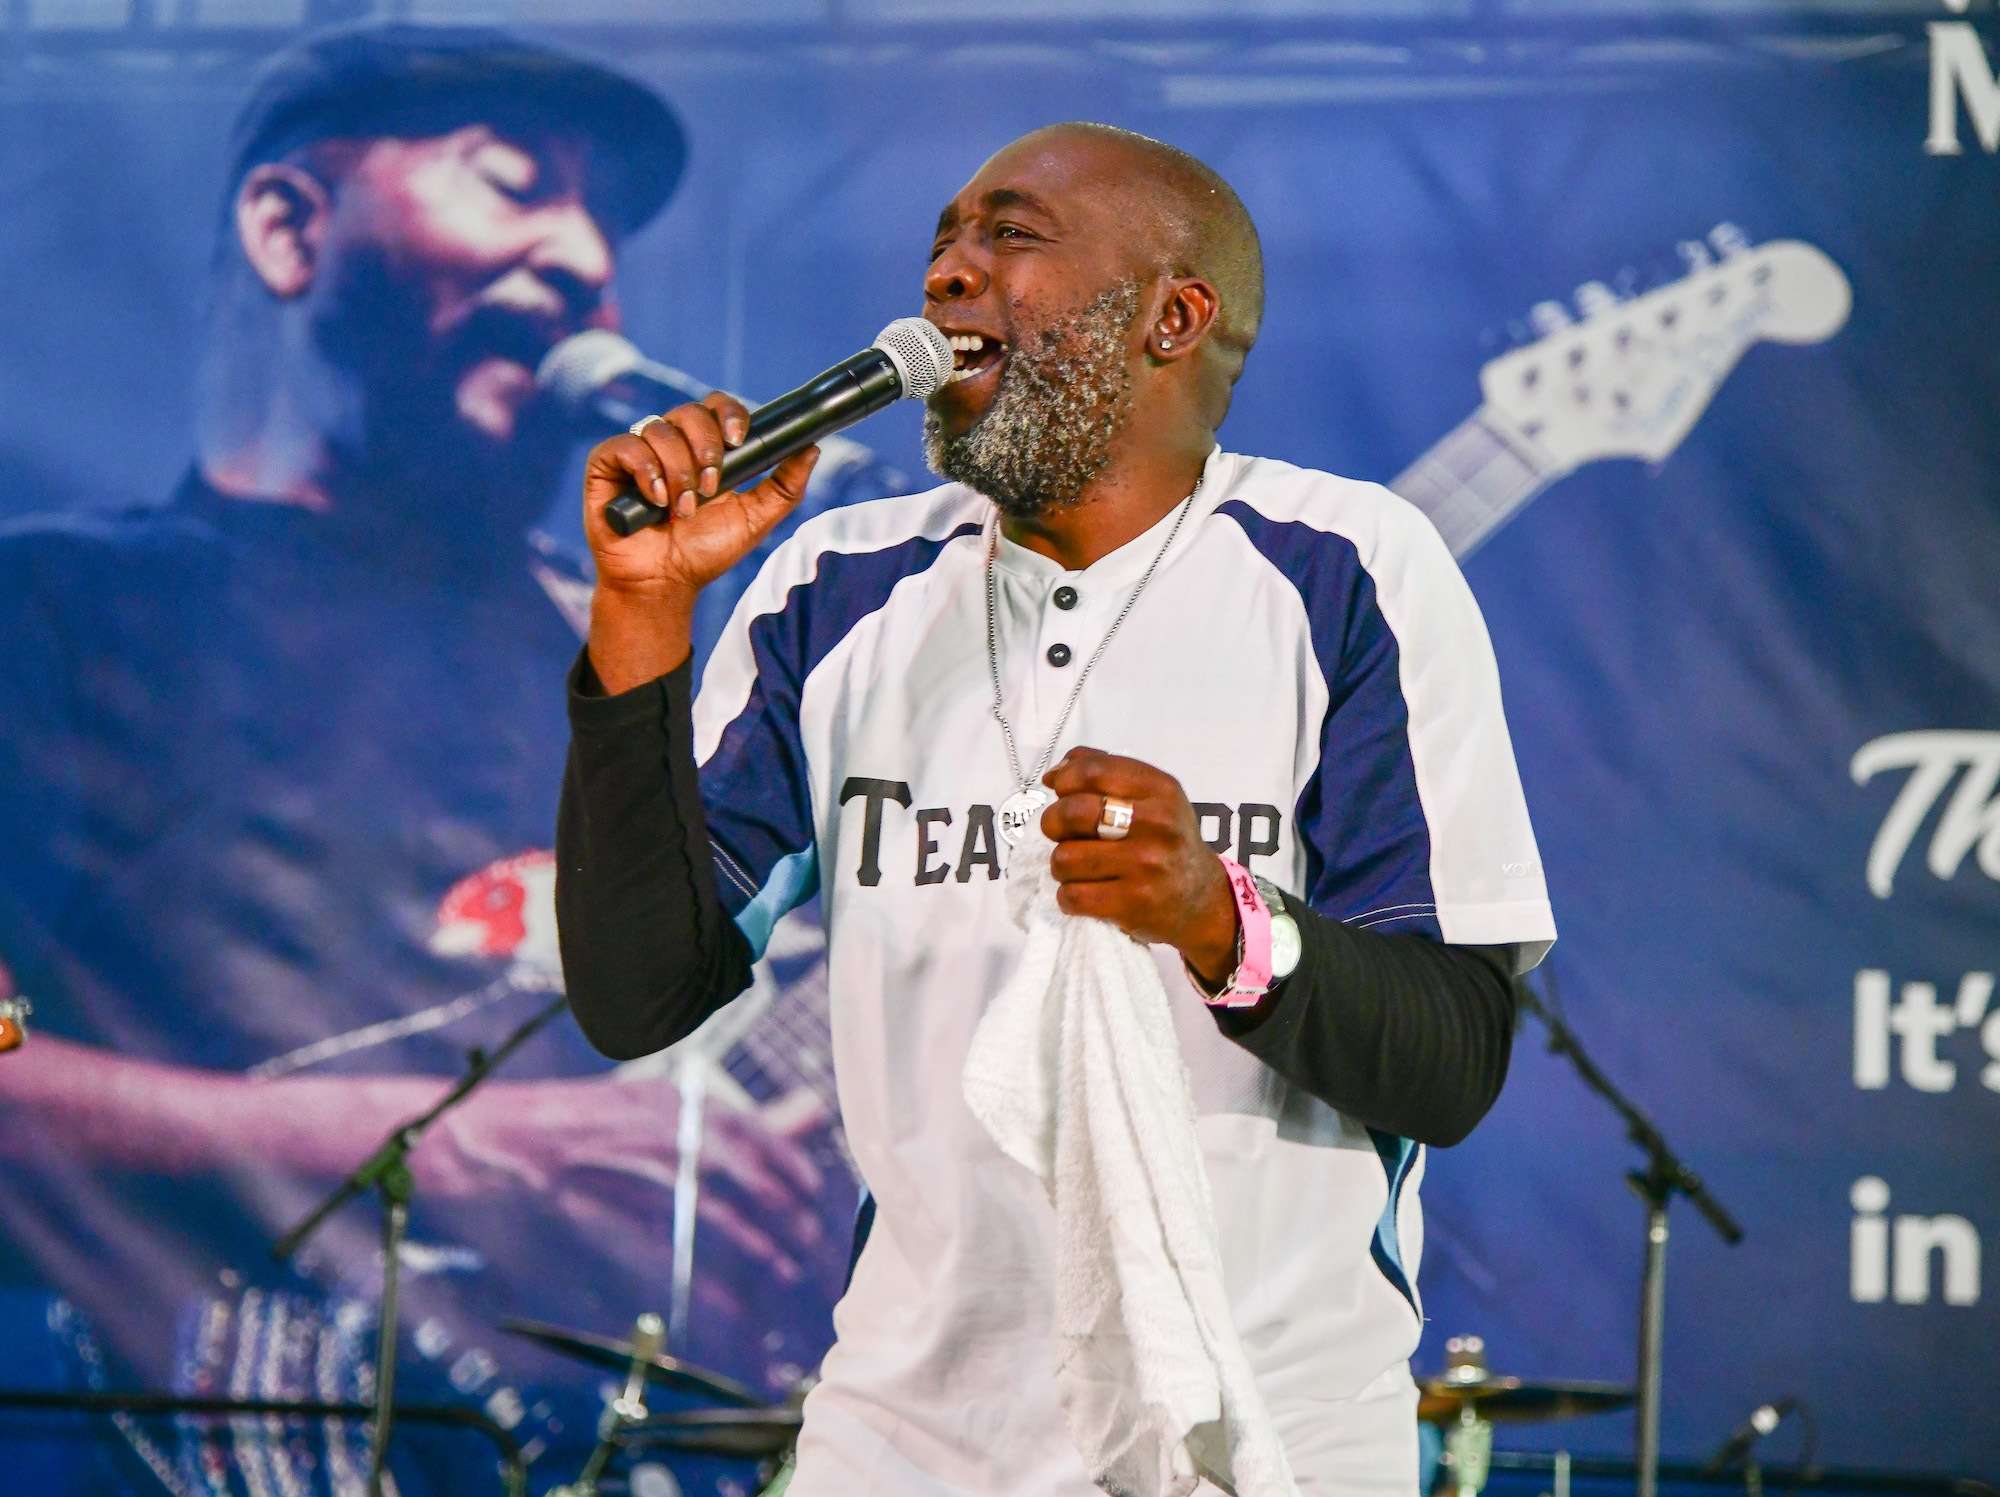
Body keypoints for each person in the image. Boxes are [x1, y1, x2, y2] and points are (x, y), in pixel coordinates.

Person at [557, 120, 1557, 1494]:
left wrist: (1218, 917)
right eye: (943, 245)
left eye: (1010, 236)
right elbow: (636, 995)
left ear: (1171, 318)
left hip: (1265, 1436)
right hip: (901, 1444)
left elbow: (1454, 1057)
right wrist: (643, 615)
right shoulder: (833, 587)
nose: (949, 275)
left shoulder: (1351, 566)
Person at [0, 24, 878, 1492]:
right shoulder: (52, 614)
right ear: (290, 228)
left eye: (604, 223)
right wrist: (442, 1150)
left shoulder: (644, 660)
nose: (583, 256)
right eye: (514, 181)